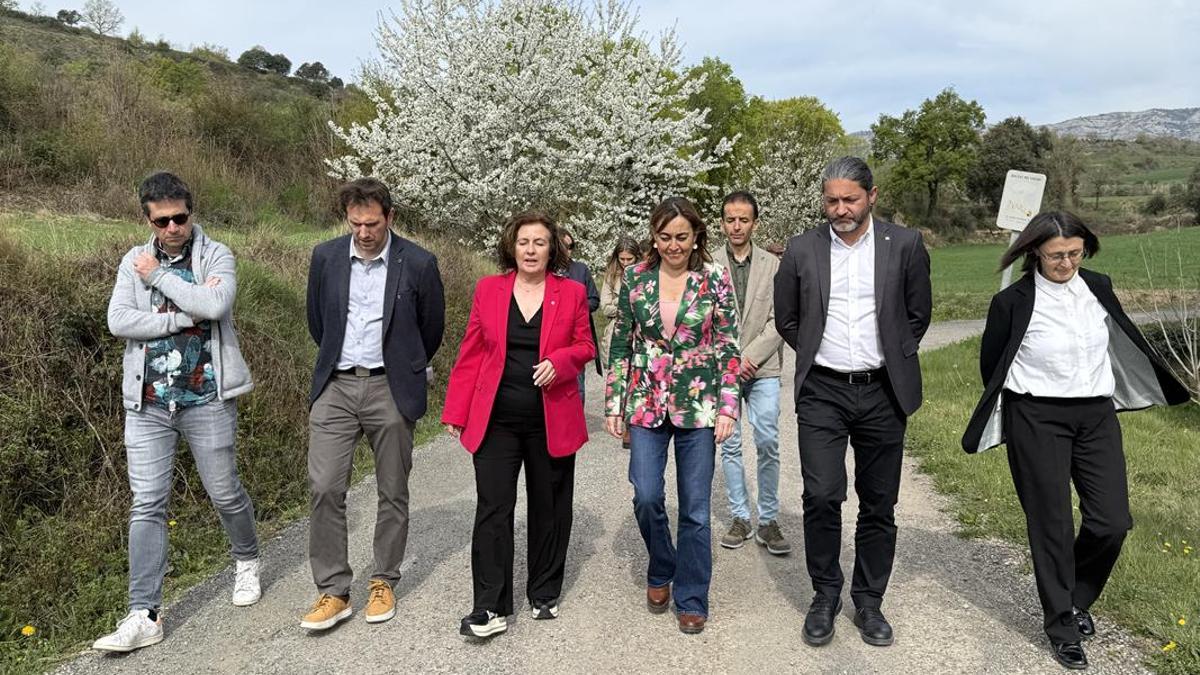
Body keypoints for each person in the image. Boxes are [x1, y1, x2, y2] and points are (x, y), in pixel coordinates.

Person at [961, 211, 1189, 671]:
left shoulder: (1098, 287)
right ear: (1034, 254)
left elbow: (1120, 341)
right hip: (1037, 416)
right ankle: (1062, 625)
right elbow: (994, 367)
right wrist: (1022, 409)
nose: (1066, 263)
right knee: (1052, 525)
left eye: (1074, 253)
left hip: (1095, 414)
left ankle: (1078, 596)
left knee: (1112, 520)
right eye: (1056, 255)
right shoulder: (1012, 301)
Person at [97, 171, 260, 652]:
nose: (173, 228)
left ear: (191, 212)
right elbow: (118, 320)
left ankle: (246, 559)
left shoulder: (216, 254)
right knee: (146, 503)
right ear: (147, 218)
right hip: (147, 403)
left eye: (180, 218)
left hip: (207, 397)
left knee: (225, 493)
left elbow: (217, 301)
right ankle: (144, 612)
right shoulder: (132, 260)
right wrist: (183, 313)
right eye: (162, 220)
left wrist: (160, 278)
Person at [774, 156, 931, 648]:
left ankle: (869, 601)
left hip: (883, 391)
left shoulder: (904, 245)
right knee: (821, 495)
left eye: (850, 199)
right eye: (832, 200)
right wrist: (823, 351)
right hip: (822, 389)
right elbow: (788, 318)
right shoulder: (802, 249)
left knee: (879, 501)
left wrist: (886, 357)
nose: (840, 209)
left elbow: (917, 315)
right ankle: (825, 594)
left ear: (872, 196)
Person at [442, 211, 595, 638]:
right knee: (493, 509)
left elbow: (585, 345)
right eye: (523, 242)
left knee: (549, 507)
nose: (530, 250)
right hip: (496, 421)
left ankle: (543, 592)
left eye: (539, 242)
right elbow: (471, 351)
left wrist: (559, 362)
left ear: (553, 249)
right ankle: (489, 606)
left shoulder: (573, 292)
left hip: (551, 418)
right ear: (512, 246)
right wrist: (456, 411)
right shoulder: (489, 290)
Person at [301, 178, 445, 631]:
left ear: (390, 218)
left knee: (392, 490)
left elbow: (431, 330)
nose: (364, 232)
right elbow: (317, 321)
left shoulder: (418, 263)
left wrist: (403, 367)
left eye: (372, 223)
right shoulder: (326, 257)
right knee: (324, 486)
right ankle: (333, 589)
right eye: (356, 223)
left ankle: (383, 579)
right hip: (337, 387)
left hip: (390, 388)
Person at [604, 196, 741, 635]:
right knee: (645, 494)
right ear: (654, 236)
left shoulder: (714, 277)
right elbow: (621, 343)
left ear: (696, 235)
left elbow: (727, 346)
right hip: (645, 402)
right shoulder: (636, 279)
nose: (673, 245)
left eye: (682, 236)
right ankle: (662, 564)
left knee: (696, 509)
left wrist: (727, 407)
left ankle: (692, 595)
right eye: (664, 237)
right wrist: (614, 405)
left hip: (698, 405)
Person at [711, 191, 788, 555]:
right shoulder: (708, 264)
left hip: (764, 367)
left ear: (754, 222)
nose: (736, 226)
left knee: (768, 439)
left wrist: (750, 357)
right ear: (723, 222)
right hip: (722, 370)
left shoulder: (773, 265)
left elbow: (781, 319)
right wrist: (729, 360)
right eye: (730, 219)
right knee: (729, 443)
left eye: (743, 219)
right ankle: (740, 515)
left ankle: (768, 519)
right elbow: (703, 319)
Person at [559, 229, 602, 396]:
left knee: (578, 388)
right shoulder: (544, 271)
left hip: (577, 336)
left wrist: (575, 309)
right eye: (563, 246)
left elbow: (594, 300)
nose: (567, 250)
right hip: (552, 336)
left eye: (571, 246)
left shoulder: (580, 269)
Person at [598, 236, 642, 369]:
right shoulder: (611, 276)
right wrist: (626, 299)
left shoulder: (645, 275)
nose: (625, 263)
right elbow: (606, 308)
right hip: (616, 330)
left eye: (630, 259)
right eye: (622, 259)